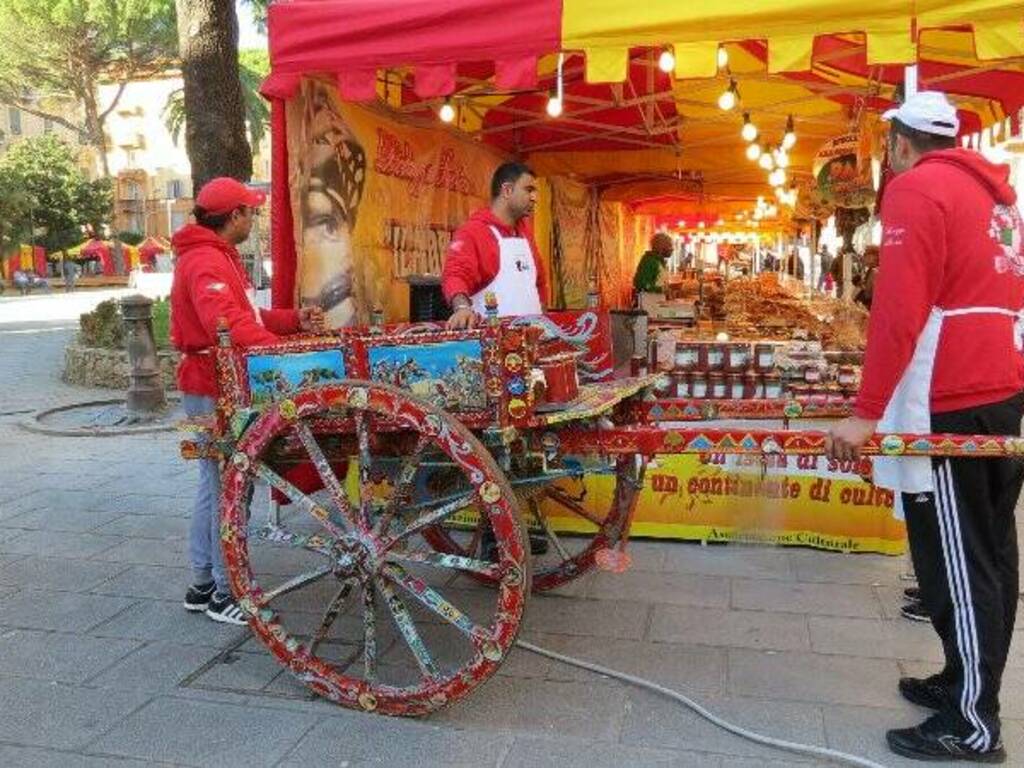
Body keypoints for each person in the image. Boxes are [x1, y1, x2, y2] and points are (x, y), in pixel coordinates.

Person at [827, 91, 1024, 763]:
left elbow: (898, 309)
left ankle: (975, 723)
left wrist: (863, 412)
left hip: (950, 391)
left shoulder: (916, 190)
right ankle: (960, 680)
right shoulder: (998, 197)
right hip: (1001, 385)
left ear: (900, 145)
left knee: (959, 562)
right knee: (991, 552)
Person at [171, 177, 321, 625]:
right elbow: (227, 322)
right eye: (250, 212)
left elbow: (248, 316)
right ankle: (223, 592)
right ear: (233, 216)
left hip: (206, 382)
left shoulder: (217, 257)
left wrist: (292, 322)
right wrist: (280, 352)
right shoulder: (204, 262)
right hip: (210, 386)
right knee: (225, 484)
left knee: (212, 482)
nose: (254, 220)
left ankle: (201, 585)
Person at [442, 161, 548, 330]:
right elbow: (455, 275)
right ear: (507, 190)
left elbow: (540, 282)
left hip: (533, 340)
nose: (534, 198)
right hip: (492, 346)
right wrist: (462, 308)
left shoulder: (526, 234)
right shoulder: (472, 232)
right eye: (528, 190)